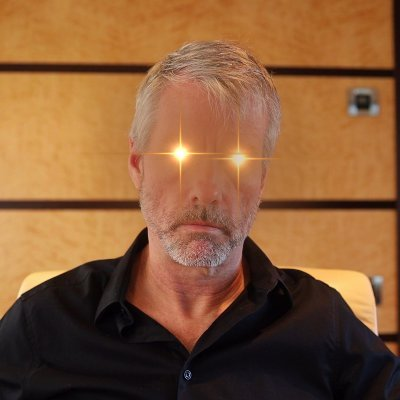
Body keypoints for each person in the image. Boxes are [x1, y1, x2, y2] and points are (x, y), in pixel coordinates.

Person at [0, 41, 399, 399]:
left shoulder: (322, 320)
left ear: (261, 180)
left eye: (237, 161)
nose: (206, 191)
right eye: (180, 156)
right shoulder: (44, 321)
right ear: (138, 165)